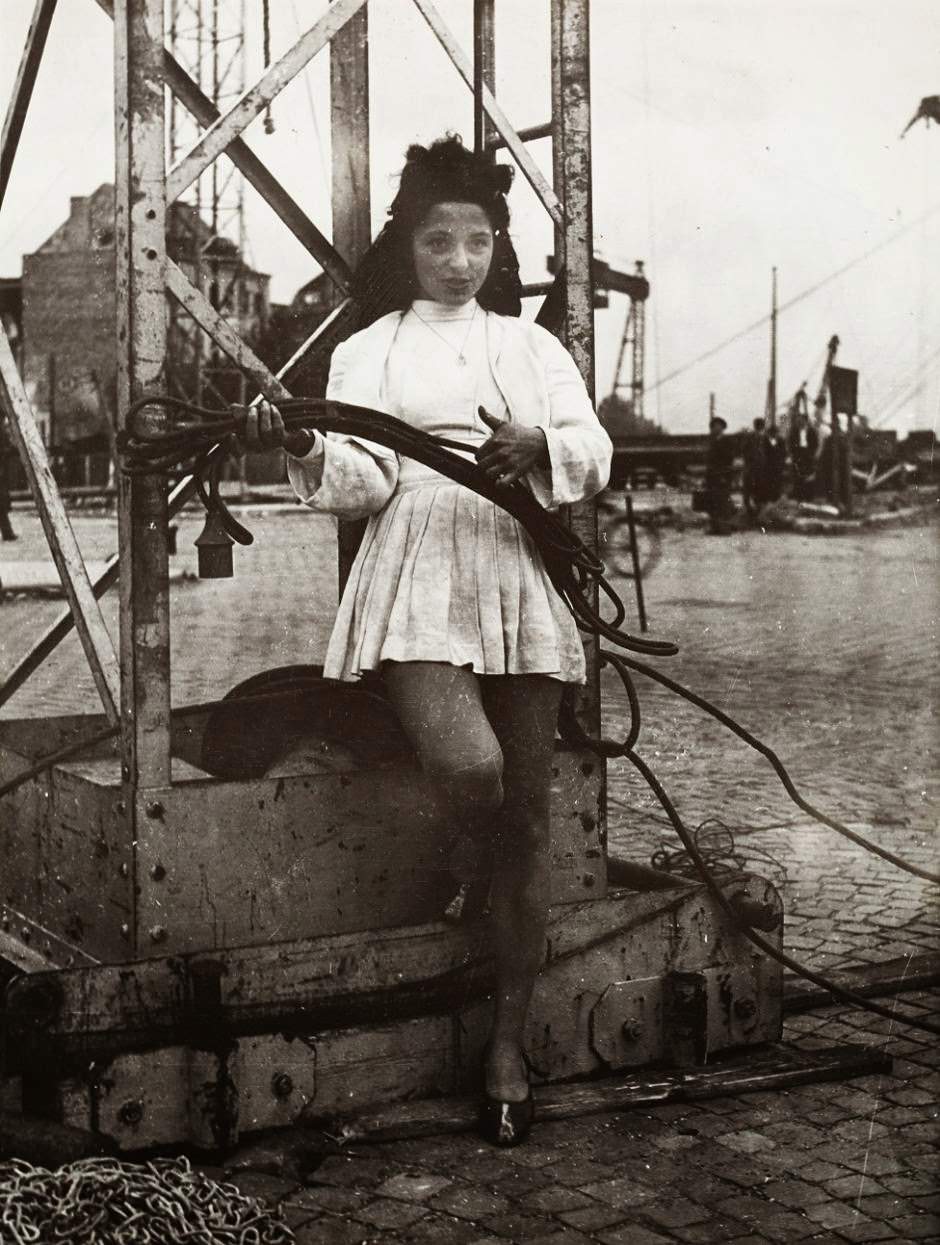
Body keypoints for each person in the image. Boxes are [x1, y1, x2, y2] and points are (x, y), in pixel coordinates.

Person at [239, 136, 612, 1146]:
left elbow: (594, 447)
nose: (458, 259)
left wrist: (542, 445)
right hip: (413, 568)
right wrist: (304, 444)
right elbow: (363, 478)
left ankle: (505, 1044)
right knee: (470, 766)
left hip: (511, 562)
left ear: (497, 247)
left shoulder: (531, 348)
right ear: (408, 246)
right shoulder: (369, 351)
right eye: (438, 241)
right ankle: (470, 861)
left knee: (530, 818)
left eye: (476, 241)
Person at [704, 414, 735, 534]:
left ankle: (724, 529)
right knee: (713, 502)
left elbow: (728, 459)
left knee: (723, 502)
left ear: (723, 428)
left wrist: (723, 476)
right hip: (712, 477)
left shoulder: (727, 441)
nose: (715, 428)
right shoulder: (712, 441)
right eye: (713, 427)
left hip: (722, 476)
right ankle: (715, 527)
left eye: (718, 426)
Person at [788, 408, 819, 501]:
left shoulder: (811, 431)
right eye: (798, 421)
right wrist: (793, 454)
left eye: (801, 420)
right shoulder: (794, 431)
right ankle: (799, 497)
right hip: (798, 456)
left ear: (806, 421)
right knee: (798, 476)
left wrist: (811, 454)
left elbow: (815, 444)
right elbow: (790, 443)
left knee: (809, 476)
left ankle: (809, 497)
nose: (799, 422)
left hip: (808, 456)